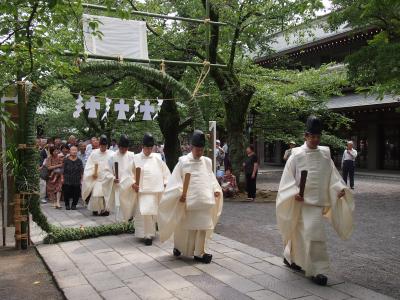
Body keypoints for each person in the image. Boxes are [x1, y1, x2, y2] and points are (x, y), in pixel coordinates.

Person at [276, 115, 354, 286]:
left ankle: (295, 260)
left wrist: (339, 188)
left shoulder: (325, 154)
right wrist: (293, 193)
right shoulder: (296, 155)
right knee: (307, 233)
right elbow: (286, 180)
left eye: (318, 136)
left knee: (308, 234)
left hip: (317, 202)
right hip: (300, 202)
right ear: (306, 136)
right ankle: (314, 268)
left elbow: (332, 175)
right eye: (312, 136)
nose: (315, 140)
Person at [158, 130, 223, 263]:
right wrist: (180, 193)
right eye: (197, 149)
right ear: (191, 147)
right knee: (188, 228)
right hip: (189, 202)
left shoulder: (207, 162)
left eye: (201, 150)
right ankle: (179, 247)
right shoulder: (183, 162)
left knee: (204, 227)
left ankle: (200, 252)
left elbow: (210, 178)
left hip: (205, 201)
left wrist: (215, 189)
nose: (199, 152)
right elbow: (174, 181)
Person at [133, 133, 170, 245]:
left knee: (152, 213)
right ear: (142, 147)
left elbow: (165, 172)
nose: (149, 150)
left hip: (155, 190)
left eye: (151, 148)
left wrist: (165, 182)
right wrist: (132, 183)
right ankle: (146, 235)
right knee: (145, 212)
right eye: (147, 148)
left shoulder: (158, 158)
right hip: (142, 190)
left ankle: (151, 233)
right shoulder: (135, 158)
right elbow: (129, 174)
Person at [82, 135, 114, 216]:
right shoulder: (94, 153)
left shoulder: (112, 154)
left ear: (107, 145)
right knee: (96, 194)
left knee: (105, 195)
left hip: (107, 177)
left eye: (105, 146)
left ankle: (106, 209)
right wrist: (93, 173)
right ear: (99, 145)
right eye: (102, 145)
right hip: (97, 176)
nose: (103, 147)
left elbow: (114, 166)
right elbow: (89, 165)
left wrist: (112, 175)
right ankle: (95, 209)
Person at [107, 135, 136, 221]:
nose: (123, 150)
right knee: (119, 204)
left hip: (130, 184)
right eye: (122, 148)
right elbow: (107, 171)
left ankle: (130, 218)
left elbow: (135, 170)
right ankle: (120, 222)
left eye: (125, 148)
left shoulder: (132, 155)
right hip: (118, 184)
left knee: (130, 203)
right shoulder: (112, 156)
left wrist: (135, 181)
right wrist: (113, 178)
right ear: (119, 147)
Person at [62, 146, 84, 210]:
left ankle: (74, 204)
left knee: (76, 192)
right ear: (70, 151)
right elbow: (62, 170)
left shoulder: (79, 161)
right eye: (73, 150)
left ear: (77, 151)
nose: (74, 151)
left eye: (75, 150)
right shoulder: (66, 160)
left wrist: (82, 179)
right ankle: (67, 204)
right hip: (67, 179)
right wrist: (62, 178)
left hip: (76, 179)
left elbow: (81, 171)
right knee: (66, 192)